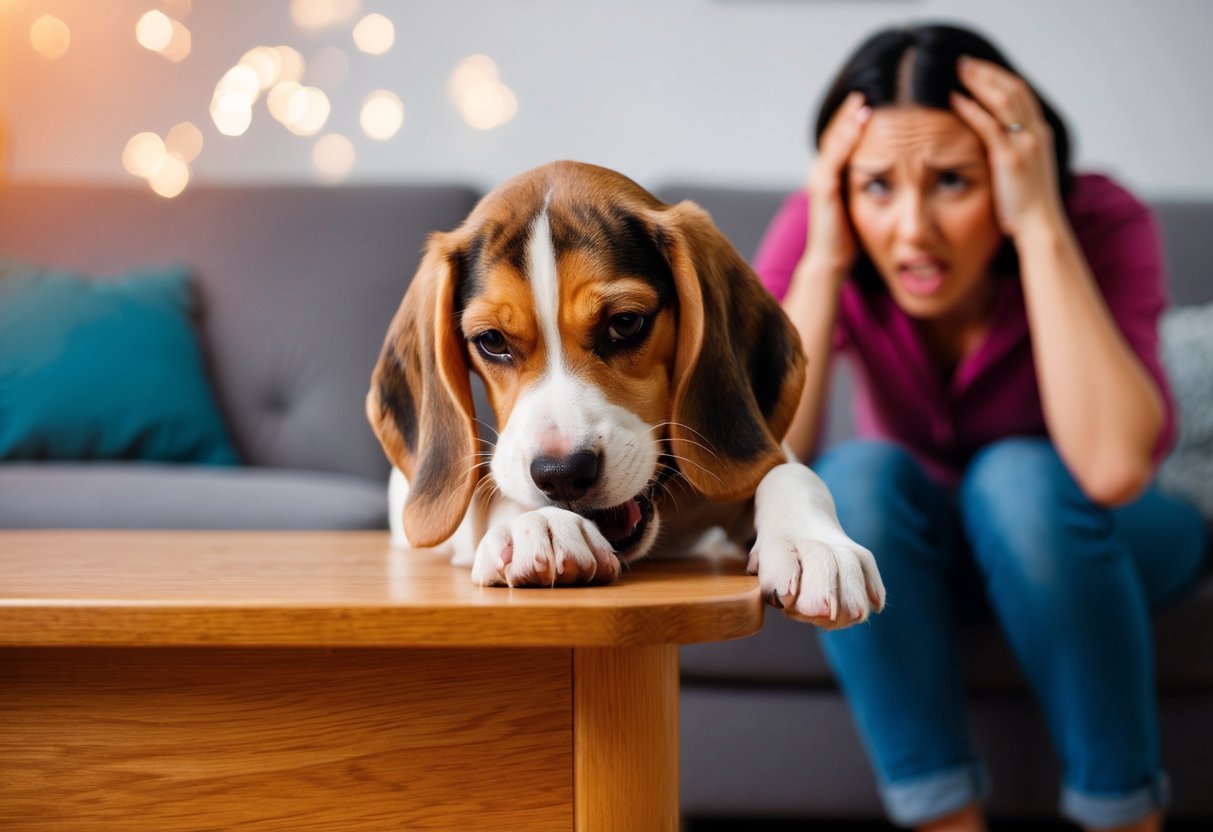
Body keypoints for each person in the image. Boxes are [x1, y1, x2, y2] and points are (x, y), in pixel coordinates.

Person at [753, 22, 1208, 832]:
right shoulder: (826, 224)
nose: (911, 230)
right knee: (849, 481)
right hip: (934, 546)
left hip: (1102, 528)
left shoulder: (1098, 218)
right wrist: (823, 256)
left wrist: (1038, 226)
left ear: (1009, 167)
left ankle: (1123, 817)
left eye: (952, 182)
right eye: (878, 186)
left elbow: (1112, 469)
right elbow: (762, 463)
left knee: (1016, 478)